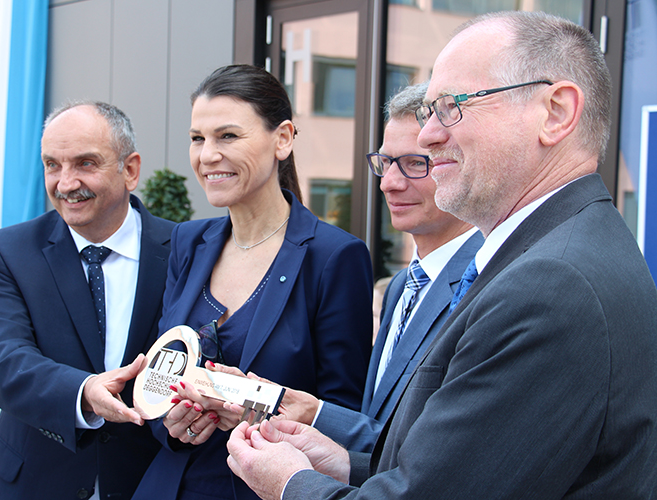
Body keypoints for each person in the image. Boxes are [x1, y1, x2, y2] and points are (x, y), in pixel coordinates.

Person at [225, 11, 657, 500]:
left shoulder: (550, 284)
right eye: (430, 111)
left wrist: (290, 483)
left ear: (555, 113)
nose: (429, 135)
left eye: (451, 106)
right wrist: (347, 464)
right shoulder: (558, 253)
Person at [131, 64, 373, 500]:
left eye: (227, 136)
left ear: (282, 139)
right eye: (197, 139)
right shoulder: (187, 241)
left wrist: (257, 411)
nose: (207, 156)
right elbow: (161, 369)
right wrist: (170, 424)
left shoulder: (334, 257)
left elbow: (342, 420)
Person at [250, 83, 482, 454]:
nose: (389, 183)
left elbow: (441, 449)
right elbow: (380, 425)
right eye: (385, 163)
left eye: (413, 164)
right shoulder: (401, 286)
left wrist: (316, 414)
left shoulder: (484, 284)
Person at [0, 101, 176, 499]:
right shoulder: (9, 251)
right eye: (52, 165)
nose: (65, 183)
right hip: (29, 484)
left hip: (145, 483)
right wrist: (82, 393)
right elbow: (0, 360)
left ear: (130, 170)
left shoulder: (186, 251)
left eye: (85, 163)